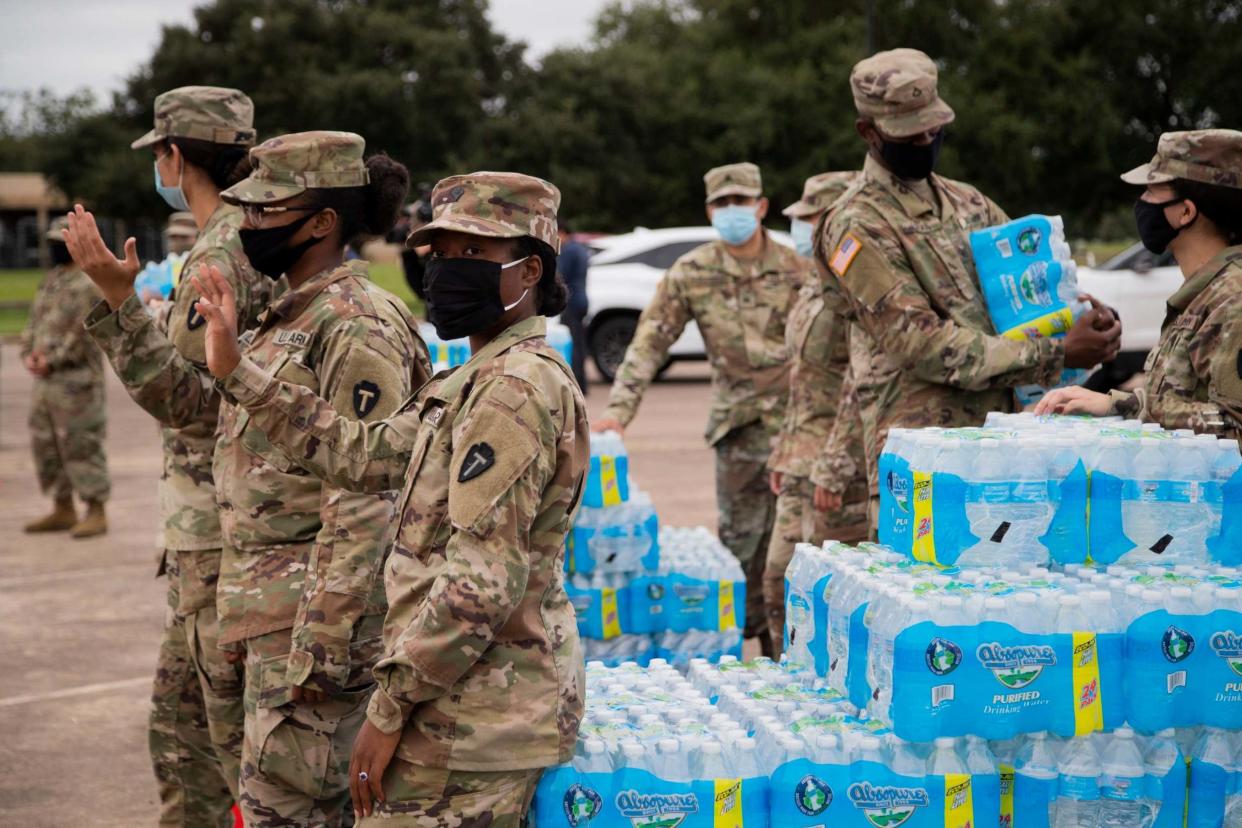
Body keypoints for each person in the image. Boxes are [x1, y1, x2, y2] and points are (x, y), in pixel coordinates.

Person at [188, 170, 587, 826]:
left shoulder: (510, 392)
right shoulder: (469, 381)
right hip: (456, 706)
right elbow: (361, 454)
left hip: (476, 722)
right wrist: (240, 372)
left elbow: (479, 585)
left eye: (474, 254)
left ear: (528, 271)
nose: (446, 270)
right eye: (440, 253)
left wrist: (388, 706)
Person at [71, 130, 430, 827]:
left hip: (307, 640)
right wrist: (123, 310)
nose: (250, 225)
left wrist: (320, 655)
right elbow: (208, 411)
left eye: (267, 212)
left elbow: (368, 495)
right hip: (262, 619)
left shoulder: (353, 325)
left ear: (321, 223)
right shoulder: (284, 313)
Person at [61, 85, 266, 828]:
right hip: (213, 528)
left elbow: (196, 404)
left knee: (218, 743)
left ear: (175, 158)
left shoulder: (221, 250)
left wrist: (118, 306)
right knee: (183, 733)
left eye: (161, 155)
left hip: (220, 532)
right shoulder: (252, 238)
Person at [819, 48, 1122, 524]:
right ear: (868, 132)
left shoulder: (968, 203)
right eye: (909, 133)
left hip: (1002, 447)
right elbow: (918, 343)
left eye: (933, 128)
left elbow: (1032, 295)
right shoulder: (856, 225)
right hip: (923, 467)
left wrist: (1084, 325)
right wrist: (1056, 355)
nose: (925, 140)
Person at [594, 162, 811, 654]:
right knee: (738, 548)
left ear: (761, 206)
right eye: (722, 203)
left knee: (797, 549)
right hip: (738, 431)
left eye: (742, 202)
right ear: (710, 210)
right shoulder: (693, 273)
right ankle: (738, 650)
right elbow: (649, 341)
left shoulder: (798, 267)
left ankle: (790, 654)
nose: (732, 211)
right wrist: (619, 412)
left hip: (799, 431)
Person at [1034, 130, 1242, 436]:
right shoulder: (1203, 293)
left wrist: (1129, 407)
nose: (1142, 203)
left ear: (1185, 212)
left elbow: (1234, 425)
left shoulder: (1232, 301)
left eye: (1151, 192)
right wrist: (1115, 402)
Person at [763, 172, 870, 656]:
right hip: (800, 460)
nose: (799, 228)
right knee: (778, 582)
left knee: (828, 597)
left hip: (838, 468)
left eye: (808, 218)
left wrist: (835, 464)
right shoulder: (816, 281)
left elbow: (859, 382)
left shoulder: (856, 287)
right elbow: (802, 378)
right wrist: (783, 453)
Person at [20, 216, 110, 538]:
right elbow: (35, 321)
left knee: (81, 445)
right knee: (47, 446)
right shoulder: (53, 280)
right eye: (53, 244)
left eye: (60, 244)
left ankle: (96, 509)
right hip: (46, 383)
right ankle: (62, 507)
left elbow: (83, 334)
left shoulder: (88, 286)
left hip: (77, 383)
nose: (55, 250)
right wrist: (30, 352)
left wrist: (53, 360)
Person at [558, 218, 591, 390]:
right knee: (579, 342)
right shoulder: (580, 249)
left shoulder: (569, 250)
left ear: (562, 232)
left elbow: (561, 274)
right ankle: (582, 382)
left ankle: (577, 381)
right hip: (582, 300)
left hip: (571, 302)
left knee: (573, 344)